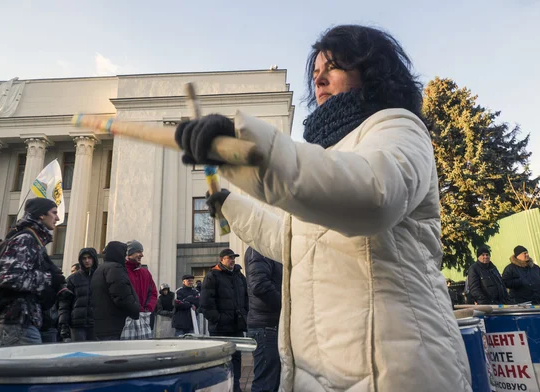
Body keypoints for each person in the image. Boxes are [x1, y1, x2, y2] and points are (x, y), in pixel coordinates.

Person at [176, 25, 471, 391]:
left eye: (332, 67)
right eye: (315, 74)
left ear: (371, 70)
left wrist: (245, 150)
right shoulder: (328, 158)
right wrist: (231, 205)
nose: (320, 80)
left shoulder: (398, 127)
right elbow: (292, 240)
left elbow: (371, 196)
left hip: (393, 371)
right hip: (321, 373)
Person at [0, 198, 68, 346]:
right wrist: (48, 278)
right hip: (18, 320)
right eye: (54, 213)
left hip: (21, 320)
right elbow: (7, 277)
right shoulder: (26, 239)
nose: (58, 218)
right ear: (41, 215)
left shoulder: (33, 239)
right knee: (28, 367)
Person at [200, 249, 248, 392]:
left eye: (234, 258)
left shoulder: (239, 276)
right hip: (219, 328)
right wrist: (219, 319)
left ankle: (236, 387)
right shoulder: (212, 276)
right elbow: (205, 304)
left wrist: (245, 314)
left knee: (236, 358)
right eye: (229, 258)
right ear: (221, 259)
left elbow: (247, 298)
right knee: (220, 361)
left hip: (237, 326)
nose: (232, 260)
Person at [244, 247, 282, 392]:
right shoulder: (260, 249)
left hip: (270, 324)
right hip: (266, 326)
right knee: (266, 382)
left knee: (272, 380)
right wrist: (286, 305)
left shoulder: (268, 250)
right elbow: (260, 286)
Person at [91, 241, 140, 340]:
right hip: (113, 324)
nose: (125, 257)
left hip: (101, 324)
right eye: (124, 253)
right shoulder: (115, 268)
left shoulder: (100, 269)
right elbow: (122, 296)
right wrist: (135, 309)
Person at [59, 248, 98, 342]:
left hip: (96, 324)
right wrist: (64, 325)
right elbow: (64, 304)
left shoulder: (100, 277)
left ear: (94, 259)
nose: (87, 261)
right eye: (84, 258)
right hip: (77, 324)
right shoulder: (72, 279)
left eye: (89, 258)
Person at [125, 240, 158, 333]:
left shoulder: (145, 273)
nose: (142, 255)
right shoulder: (121, 272)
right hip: (125, 319)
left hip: (144, 318)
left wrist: (148, 309)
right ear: (129, 253)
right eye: (139, 251)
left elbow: (153, 293)